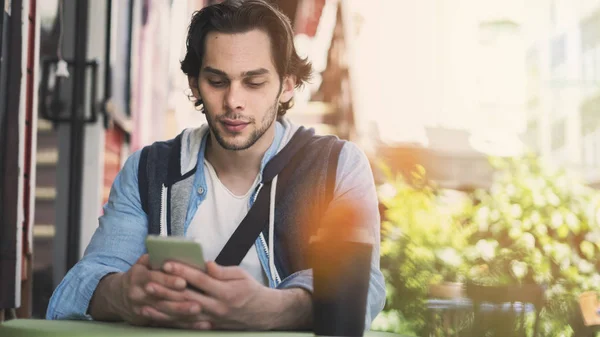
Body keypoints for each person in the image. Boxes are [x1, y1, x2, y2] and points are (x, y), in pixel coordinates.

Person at [46, 0, 385, 330]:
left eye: (254, 82)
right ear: (194, 83)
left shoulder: (338, 166)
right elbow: (80, 286)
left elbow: (363, 291)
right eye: (217, 81)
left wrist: (276, 309)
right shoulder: (149, 169)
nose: (233, 101)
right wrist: (124, 294)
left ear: (287, 85)